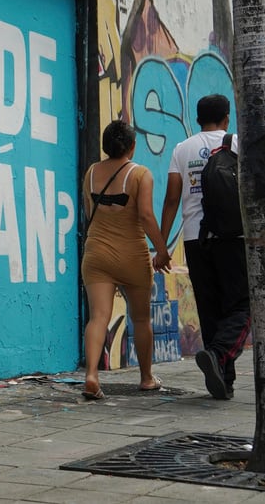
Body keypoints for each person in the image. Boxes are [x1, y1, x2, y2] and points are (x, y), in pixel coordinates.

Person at [160, 94, 250, 400]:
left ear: (198, 118)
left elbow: (172, 198)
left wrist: (161, 245)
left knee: (211, 311)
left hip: (194, 240)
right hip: (232, 237)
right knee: (242, 306)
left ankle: (224, 382)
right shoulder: (236, 142)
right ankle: (219, 353)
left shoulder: (182, 149)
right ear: (226, 118)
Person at [81, 120, 171, 400]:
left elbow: (88, 212)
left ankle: (92, 375)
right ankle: (146, 378)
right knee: (142, 319)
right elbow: (145, 216)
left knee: (98, 316)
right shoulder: (141, 174)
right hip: (132, 255)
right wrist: (162, 250)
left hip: (97, 254)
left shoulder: (92, 173)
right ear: (132, 146)